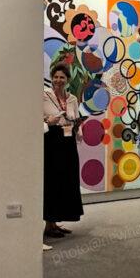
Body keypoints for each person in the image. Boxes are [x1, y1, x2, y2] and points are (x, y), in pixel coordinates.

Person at [43, 62, 84, 246]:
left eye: (62, 77)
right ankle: (48, 224)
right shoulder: (44, 95)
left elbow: (74, 117)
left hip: (68, 142)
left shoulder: (72, 99)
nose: (58, 80)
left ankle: (55, 222)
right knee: (52, 181)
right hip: (51, 141)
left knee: (66, 181)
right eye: (56, 77)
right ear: (52, 78)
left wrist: (77, 125)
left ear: (67, 80)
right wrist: (47, 121)